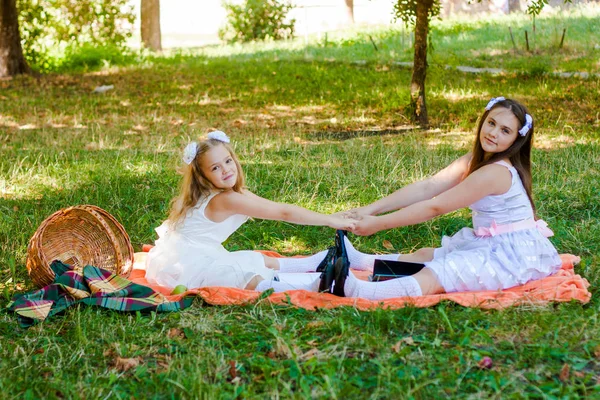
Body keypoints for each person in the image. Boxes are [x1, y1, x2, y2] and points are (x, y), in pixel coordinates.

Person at [259, 97, 567, 300]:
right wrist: (369, 209)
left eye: (505, 131)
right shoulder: (475, 159)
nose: (494, 134)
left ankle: (357, 290)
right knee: (425, 255)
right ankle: (361, 261)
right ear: (482, 121)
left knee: (440, 274)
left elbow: (435, 206)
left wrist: (376, 225)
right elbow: (428, 187)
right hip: (494, 242)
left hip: (514, 254)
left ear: (516, 139)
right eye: (491, 124)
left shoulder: (496, 173)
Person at [145, 130, 357, 291]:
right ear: (204, 177)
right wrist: (331, 221)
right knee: (241, 277)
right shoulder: (225, 200)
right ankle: (316, 284)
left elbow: (276, 208)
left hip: (196, 254)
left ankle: (314, 263)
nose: (226, 169)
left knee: (251, 259)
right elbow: (283, 214)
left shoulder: (233, 193)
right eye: (215, 168)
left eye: (228, 161)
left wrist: (329, 216)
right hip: (184, 268)